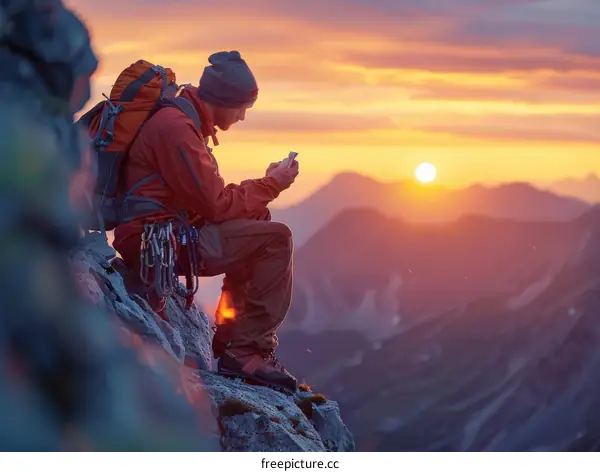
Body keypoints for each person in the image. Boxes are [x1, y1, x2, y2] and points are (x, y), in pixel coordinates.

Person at [111, 51, 300, 392]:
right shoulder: (177, 129)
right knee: (276, 239)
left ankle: (232, 340)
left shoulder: (183, 122)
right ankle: (245, 351)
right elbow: (216, 204)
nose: (242, 116)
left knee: (258, 218)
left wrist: (265, 188)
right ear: (223, 100)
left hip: (163, 234)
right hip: (155, 243)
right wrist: (271, 184)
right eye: (242, 106)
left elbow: (211, 200)